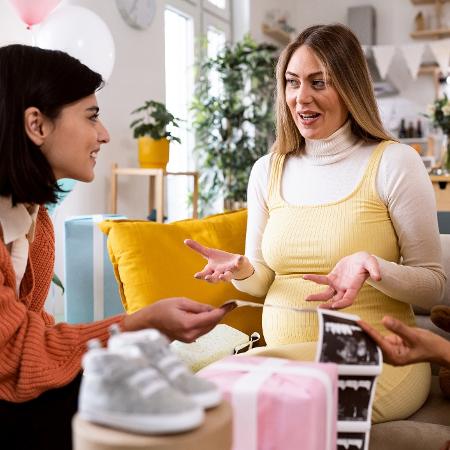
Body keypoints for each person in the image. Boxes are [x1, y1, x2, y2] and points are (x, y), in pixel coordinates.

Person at [185, 23, 446, 424]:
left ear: (349, 87)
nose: (301, 97)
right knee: (208, 393)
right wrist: (241, 268)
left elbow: (434, 287)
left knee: (292, 411)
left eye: (318, 82)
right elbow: (261, 280)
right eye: (292, 83)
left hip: (376, 353)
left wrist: (372, 268)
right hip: (291, 357)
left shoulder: (394, 162)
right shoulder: (267, 170)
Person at [0, 44, 227, 450]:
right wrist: (139, 324)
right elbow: (13, 356)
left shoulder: (35, 224)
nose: (104, 134)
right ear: (37, 125)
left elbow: (29, 333)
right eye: (91, 116)